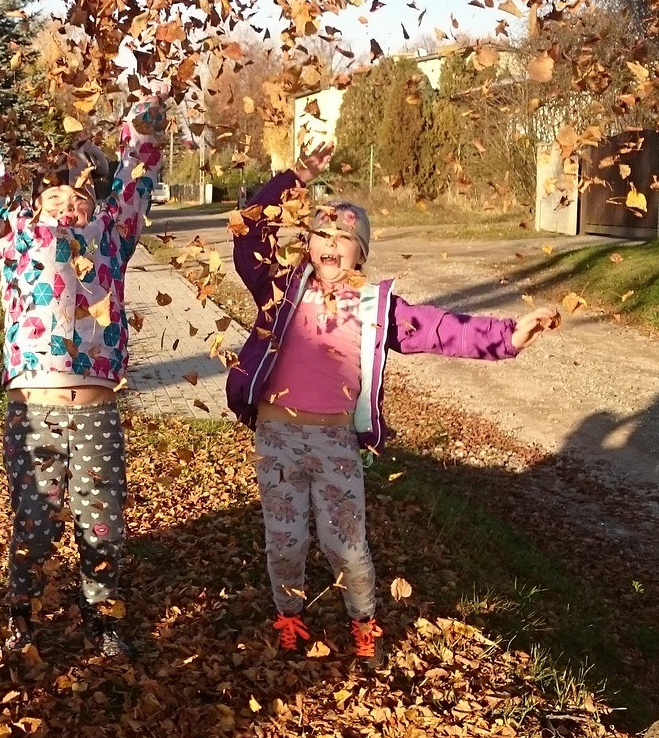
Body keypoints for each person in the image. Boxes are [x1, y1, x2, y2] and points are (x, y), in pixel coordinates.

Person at [226, 140, 560, 666]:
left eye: (344, 237)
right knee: (284, 540)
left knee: (346, 545)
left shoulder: (374, 306)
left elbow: (440, 329)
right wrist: (294, 177)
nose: (331, 246)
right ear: (307, 243)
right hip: (278, 437)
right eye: (321, 235)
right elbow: (247, 234)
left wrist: (509, 335)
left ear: (362, 252)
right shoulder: (279, 289)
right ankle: (288, 617)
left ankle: (363, 621)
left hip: (335, 440)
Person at [0, 81, 169, 660]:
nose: (67, 202)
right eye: (55, 192)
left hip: (96, 412)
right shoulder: (15, 239)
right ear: (35, 199)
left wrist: (146, 119)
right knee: (34, 523)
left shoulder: (111, 236)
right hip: (32, 410)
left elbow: (137, 177)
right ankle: (22, 617)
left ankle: (102, 617)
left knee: (102, 523)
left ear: (96, 198)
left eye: (79, 191)